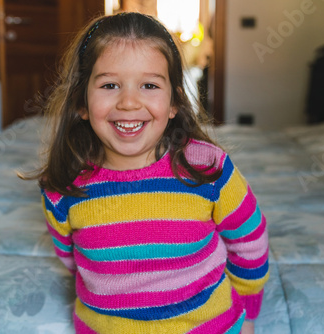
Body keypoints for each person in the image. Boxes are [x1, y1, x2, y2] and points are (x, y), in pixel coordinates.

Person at [36, 12, 269, 334]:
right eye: (109, 85)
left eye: (149, 85)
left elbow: (250, 241)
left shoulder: (207, 168)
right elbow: (71, 258)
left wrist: (248, 309)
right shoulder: (63, 184)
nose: (129, 102)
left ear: (174, 101)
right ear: (81, 103)